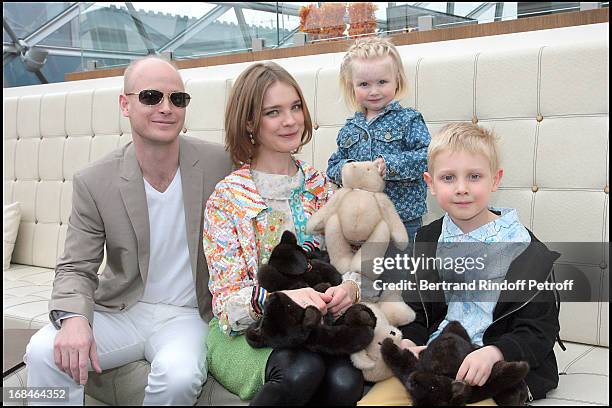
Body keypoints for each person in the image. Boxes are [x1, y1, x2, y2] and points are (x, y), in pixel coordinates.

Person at [24, 56, 233, 405]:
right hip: (123, 309)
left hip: (189, 314)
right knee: (44, 349)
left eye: (177, 99)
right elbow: (76, 265)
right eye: (151, 97)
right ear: (125, 104)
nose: (166, 108)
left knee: (179, 377)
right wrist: (74, 318)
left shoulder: (219, 164)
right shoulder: (95, 181)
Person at [359, 122, 562, 405]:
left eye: (475, 176)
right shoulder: (427, 241)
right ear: (430, 183)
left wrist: (495, 352)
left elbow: (539, 330)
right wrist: (409, 342)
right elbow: (419, 310)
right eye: (448, 178)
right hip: (438, 358)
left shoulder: (528, 251)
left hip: (498, 367)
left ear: (495, 179)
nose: (462, 188)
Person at [203, 61, 364, 405]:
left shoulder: (321, 186)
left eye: (295, 108)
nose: (290, 120)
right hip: (248, 333)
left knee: (345, 379)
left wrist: (351, 286)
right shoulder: (226, 199)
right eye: (273, 112)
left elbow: (353, 256)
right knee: (300, 370)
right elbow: (226, 306)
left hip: (315, 328)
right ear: (249, 122)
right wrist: (281, 299)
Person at [327, 36, 431, 243]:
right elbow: (333, 166)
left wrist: (390, 165)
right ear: (352, 87)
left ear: (397, 80)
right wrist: (348, 170)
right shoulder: (349, 128)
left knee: (402, 270)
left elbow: (427, 157)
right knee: (368, 270)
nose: (374, 91)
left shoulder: (408, 119)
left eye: (382, 82)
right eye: (364, 84)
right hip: (361, 221)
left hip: (403, 218)